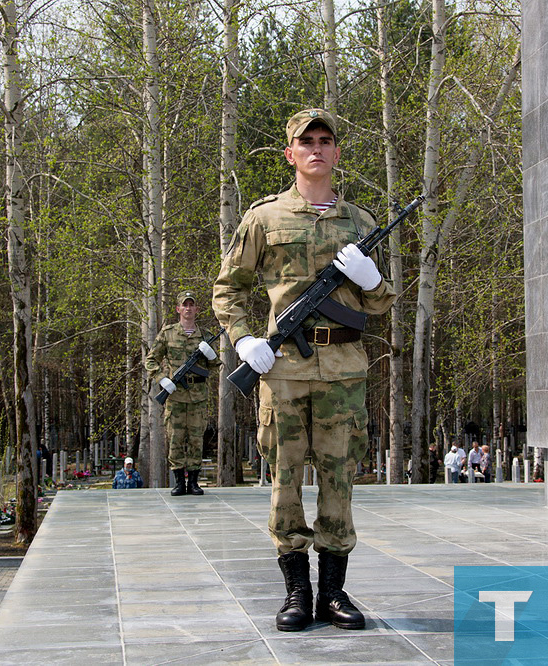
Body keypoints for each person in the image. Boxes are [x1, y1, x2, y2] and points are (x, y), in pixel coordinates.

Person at [213, 108, 397, 632]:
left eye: (325, 140)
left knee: (339, 478)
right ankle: (296, 592)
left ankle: (333, 593)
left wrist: (371, 279)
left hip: (343, 369)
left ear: (337, 153)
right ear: (290, 154)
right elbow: (228, 288)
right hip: (285, 368)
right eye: (306, 141)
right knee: (285, 481)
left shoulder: (360, 223)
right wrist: (246, 339)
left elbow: (384, 303)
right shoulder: (264, 219)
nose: (316, 148)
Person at [146, 290, 221, 496]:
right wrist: (162, 379)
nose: (188, 308)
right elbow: (151, 360)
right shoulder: (168, 333)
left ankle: (194, 482)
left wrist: (211, 354)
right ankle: (179, 481)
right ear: (178, 309)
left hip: (198, 396)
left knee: (196, 438)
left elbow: (216, 365)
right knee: (176, 438)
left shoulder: (205, 335)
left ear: (197, 309)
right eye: (184, 305)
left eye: (191, 305)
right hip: (176, 395)